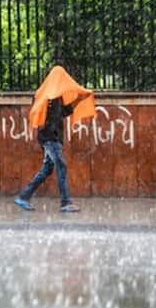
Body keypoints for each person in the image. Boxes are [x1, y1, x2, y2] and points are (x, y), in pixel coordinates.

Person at [14, 65, 95, 212]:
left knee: (47, 169)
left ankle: (23, 196)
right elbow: (39, 114)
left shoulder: (56, 96)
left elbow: (65, 112)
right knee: (61, 166)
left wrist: (79, 98)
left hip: (53, 138)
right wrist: (49, 134)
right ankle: (65, 202)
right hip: (50, 138)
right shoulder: (47, 96)